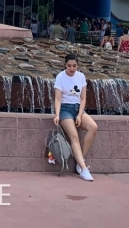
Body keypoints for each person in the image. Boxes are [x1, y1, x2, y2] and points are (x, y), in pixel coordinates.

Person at [53, 53, 97, 182]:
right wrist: (57, 114)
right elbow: (58, 98)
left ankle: (80, 161)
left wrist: (79, 115)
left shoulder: (81, 76)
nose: (72, 69)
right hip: (65, 110)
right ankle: (84, 170)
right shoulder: (60, 77)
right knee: (74, 136)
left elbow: (83, 98)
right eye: (69, 66)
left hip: (78, 108)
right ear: (65, 65)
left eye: (74, 66)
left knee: (93, 127)